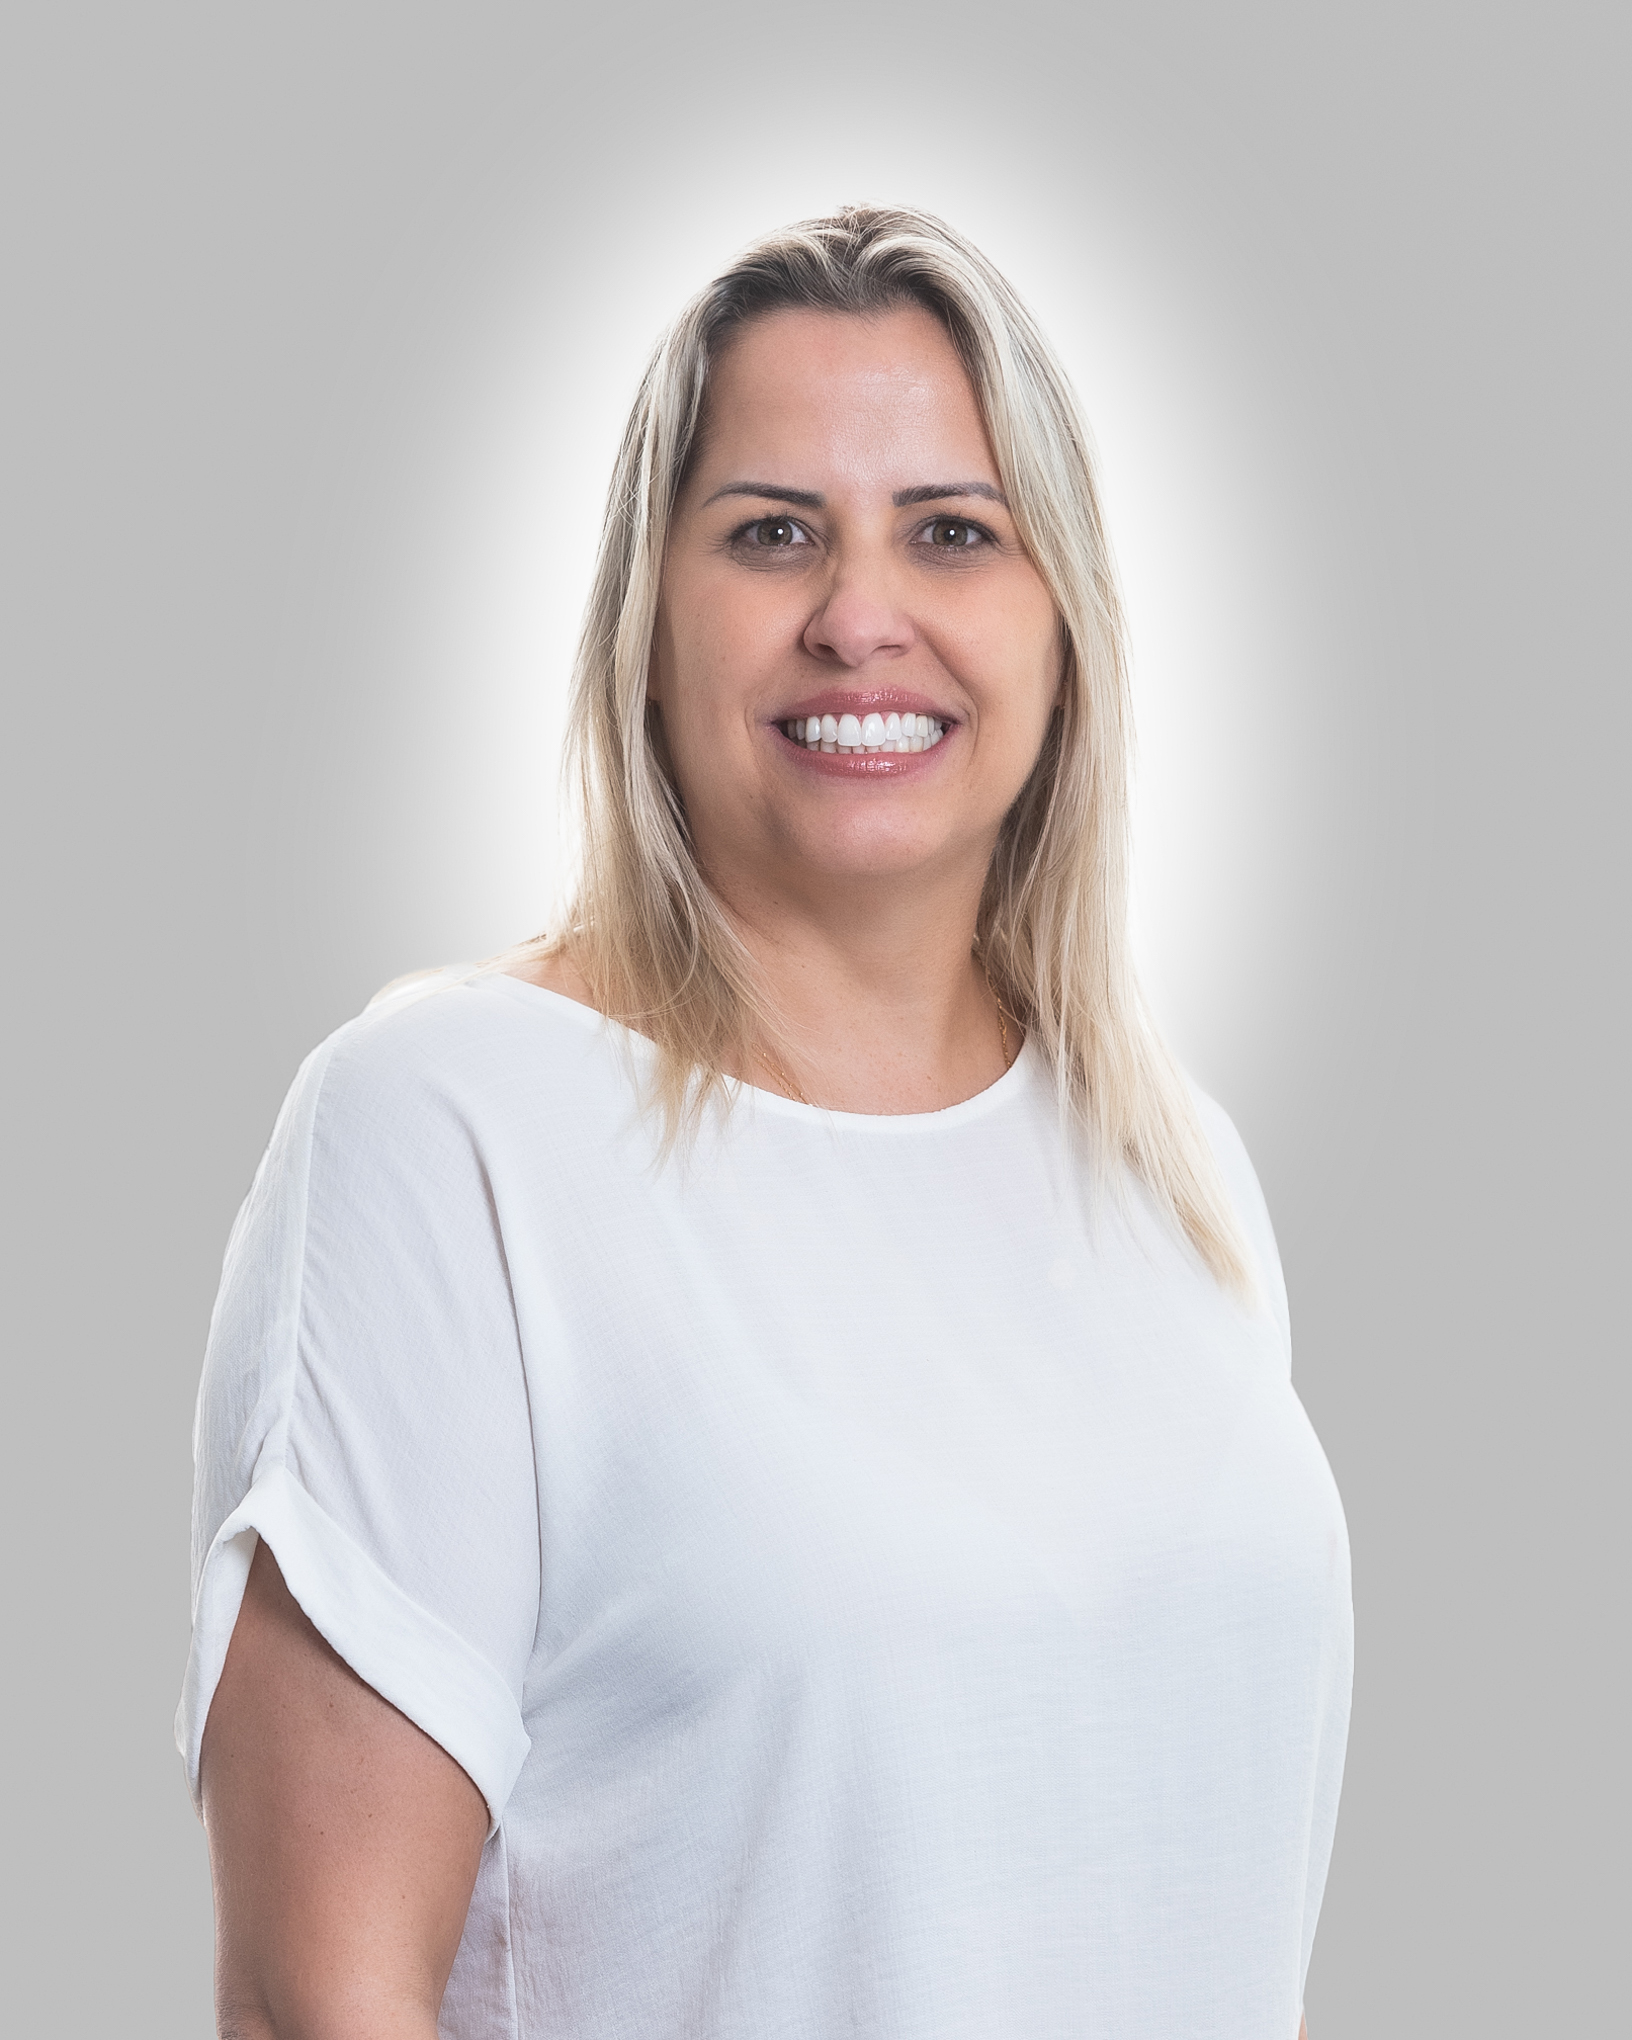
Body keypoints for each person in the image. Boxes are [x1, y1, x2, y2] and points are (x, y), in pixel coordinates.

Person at [179, 205, 1350, 2040]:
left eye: (953, 532)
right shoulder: (450, 1136)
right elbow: (314, 1994)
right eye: (772, 533)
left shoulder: (1173, 1172)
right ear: (648, 629)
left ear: (1063, 632)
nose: (859, 617)